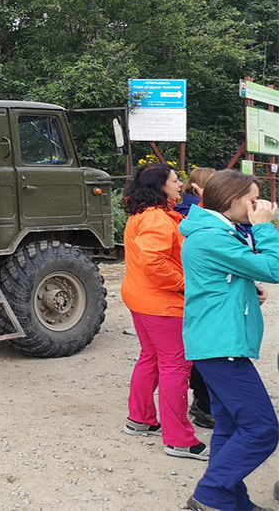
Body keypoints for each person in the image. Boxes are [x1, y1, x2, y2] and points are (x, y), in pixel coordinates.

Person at [179, 170, 279, 511]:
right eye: (251, 200)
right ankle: (211, 495)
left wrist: (246, 290)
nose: (257, 206)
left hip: (216, 340)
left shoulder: (217, 230)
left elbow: (221, 278)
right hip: (221, 345)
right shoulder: (212, 235)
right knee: (262, 428)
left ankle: (233, 501)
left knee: (231, 425)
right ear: (228, 200)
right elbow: (274, 267)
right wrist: (265, 226)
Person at [121, 163, 208, 460]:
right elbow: (153, 262)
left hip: (142, 299)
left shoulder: (143, 214)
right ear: (160, 186)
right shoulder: (157, 219)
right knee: (176, 366)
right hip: (162, 304)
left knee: (151, 357)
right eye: (174, 179)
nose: (179, 183)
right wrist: (184, 284)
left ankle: (141, 419)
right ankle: (179, 438)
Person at [174, 166, 218, 429]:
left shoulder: (187, 213)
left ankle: (203, 402)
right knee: (206, 351)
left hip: (196, 290)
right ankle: (204, 405)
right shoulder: (194, 216)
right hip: (201, 292)